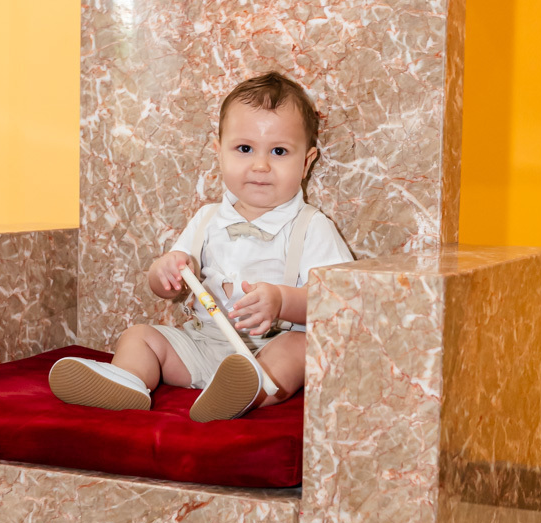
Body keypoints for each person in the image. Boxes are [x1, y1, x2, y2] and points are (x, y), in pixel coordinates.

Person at [49, 72, 352, 422]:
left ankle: (245, 391)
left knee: (299, 348)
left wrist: (283, 301)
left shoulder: (312, 226)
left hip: (267, 349)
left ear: (307, 162)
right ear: (218, 151)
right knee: (140, 336)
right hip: (202, 342)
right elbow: (163, 287)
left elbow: (335, 301)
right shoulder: (207, 219)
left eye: (279, 151)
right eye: (244, 149)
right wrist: (163, 271)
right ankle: (129, 381)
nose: (260, 165)